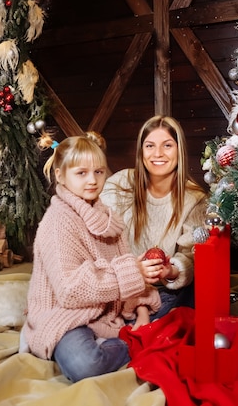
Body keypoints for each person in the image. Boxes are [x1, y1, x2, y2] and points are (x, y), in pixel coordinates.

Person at [21, 131, 161, 383]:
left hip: (105, 311)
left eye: (98, 172)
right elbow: (70, 291)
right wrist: (133, 272)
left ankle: (116, 337)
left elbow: (127, 273)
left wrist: (141, 311)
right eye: (81, 173)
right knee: (84, 365)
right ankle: (122, 344)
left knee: (174, 306)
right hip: (65, 315)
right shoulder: (58, 223)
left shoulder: (108, 218)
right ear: (60, 175)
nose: (92, 181)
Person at [100, 115, 208, 320]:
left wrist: (171, 271)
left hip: (167, 292)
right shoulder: (120, 184)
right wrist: (132, 270)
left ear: (179, 150)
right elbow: (99, 238)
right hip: (123, 287)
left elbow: (190, 258)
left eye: (167, 145)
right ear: (141, 152)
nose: (157, 154)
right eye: (150, 146)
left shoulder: (194, 198)